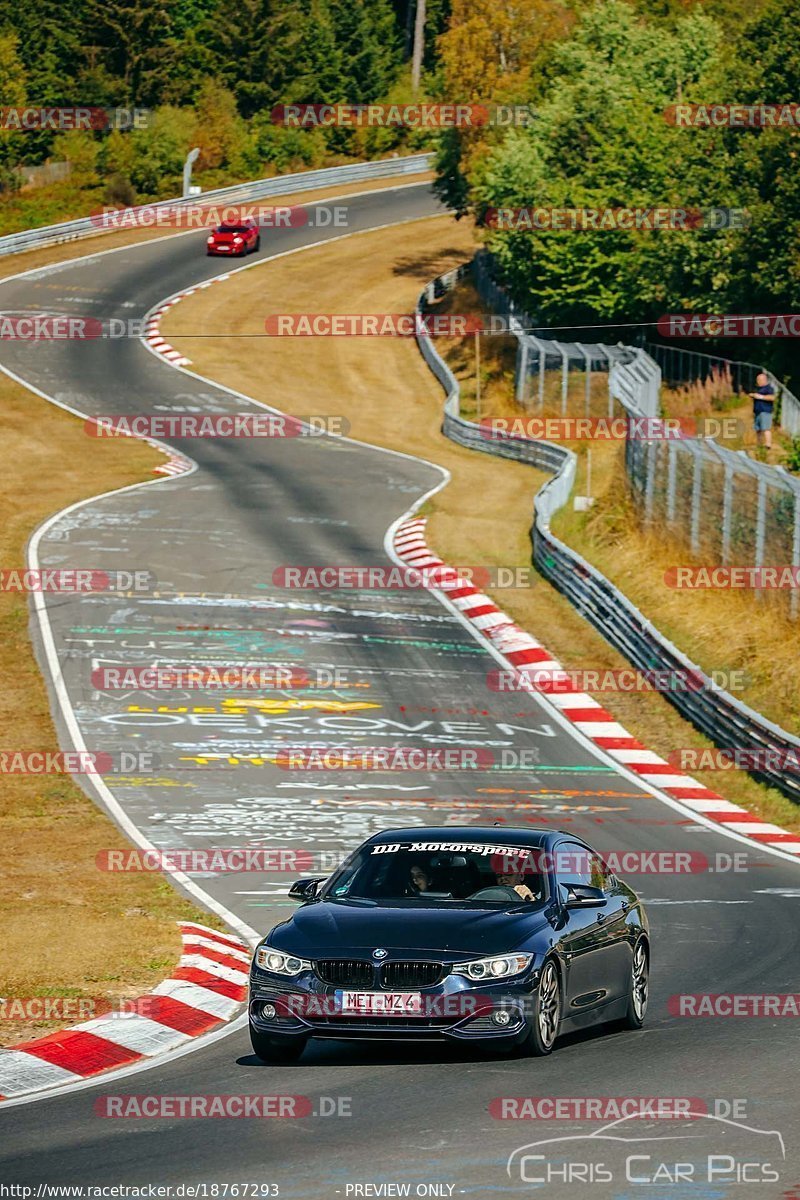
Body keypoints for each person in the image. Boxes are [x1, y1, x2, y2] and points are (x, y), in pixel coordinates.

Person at [749, 372, 776, 450]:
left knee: (766, 428)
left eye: (759, 380)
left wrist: (760, 397)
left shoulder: (768, 388)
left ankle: (768, 444)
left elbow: (772, 398)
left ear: (764, 380)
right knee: (758, 429)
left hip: (765, 411)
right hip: (758, 412)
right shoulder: (759, 389)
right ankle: (759, 444)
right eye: (757, 380)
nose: (758, 381)